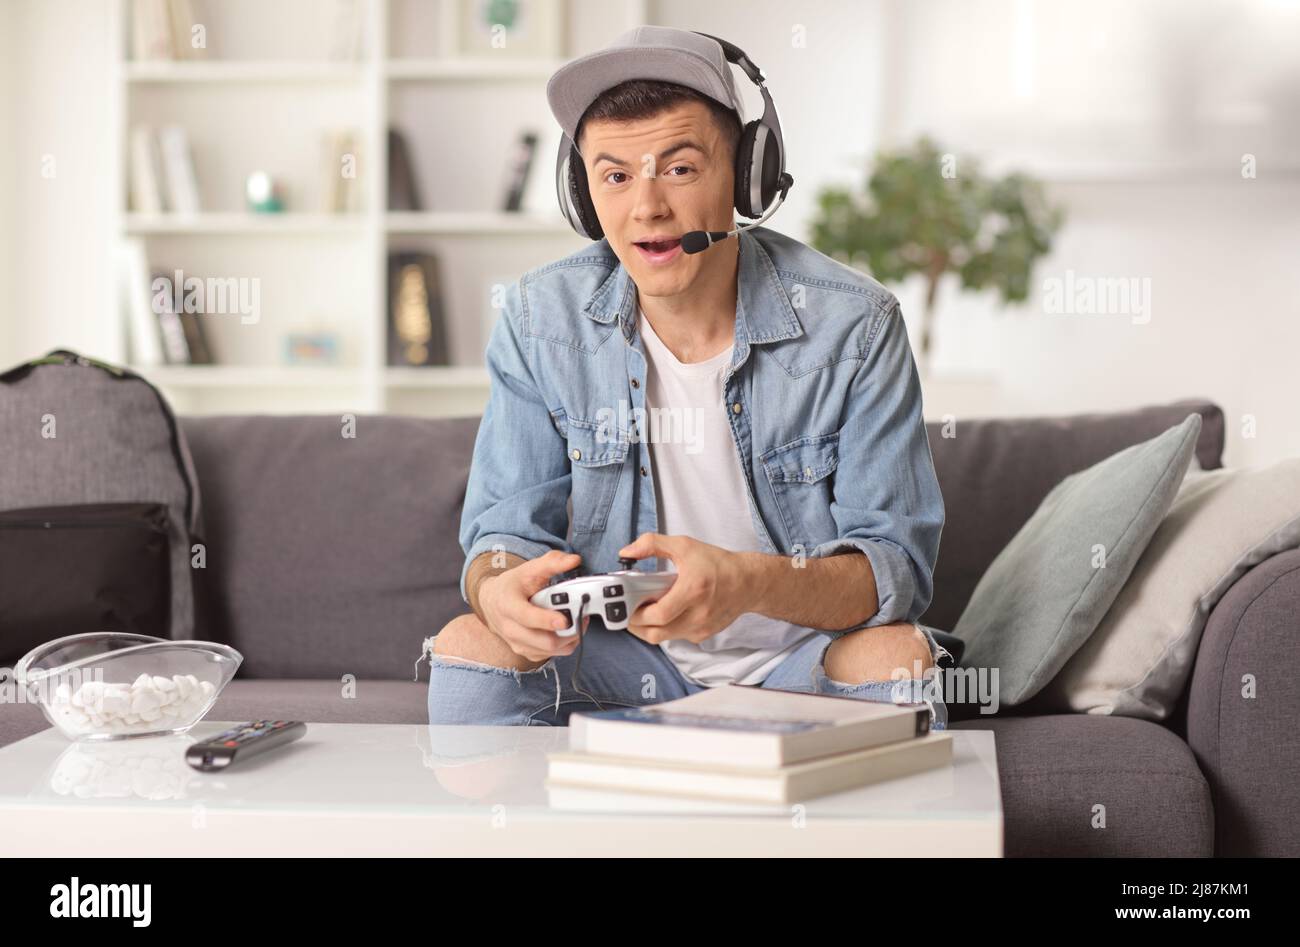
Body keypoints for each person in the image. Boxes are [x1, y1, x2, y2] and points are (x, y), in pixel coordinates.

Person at [424, 27, 949, 729]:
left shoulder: (856, 327)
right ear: (583, 196)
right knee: (468, 640)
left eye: (677, 168)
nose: (646, 208)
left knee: (900, 658)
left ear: (745, 175)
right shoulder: (537, 320)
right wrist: (497, 592)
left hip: (800, 670)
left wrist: (747, 582)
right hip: (618, 666)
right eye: (614, 176)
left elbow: (895, 572)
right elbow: (501, 536)